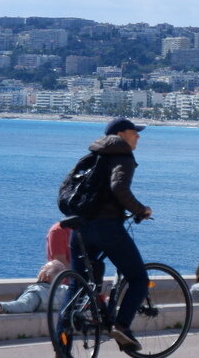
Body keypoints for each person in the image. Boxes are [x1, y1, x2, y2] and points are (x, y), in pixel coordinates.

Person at [75, 117, 152, 352]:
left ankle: (64, 340)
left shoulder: (91, 157)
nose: (138, 136)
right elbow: (119, 188)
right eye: (134, 132)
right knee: (139, 279)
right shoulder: (123, 156)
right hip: (107, 226)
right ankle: (121, 326)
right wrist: (141, 210)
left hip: (80, 225)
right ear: (120, 134)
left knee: (77, 285)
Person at [0, 261, 65, 314]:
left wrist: (1, 306)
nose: (40, 271)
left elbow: (23, 305)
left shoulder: (38, 292)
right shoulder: (66, 291)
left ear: (46, 276)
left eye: (43, 269)